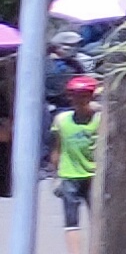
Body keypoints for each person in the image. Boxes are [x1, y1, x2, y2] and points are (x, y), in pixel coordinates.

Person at [49, 91, 94, 227]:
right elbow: (57, 147)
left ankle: (98, 247)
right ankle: (74, 249)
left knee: (99, 220)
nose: (78, 101)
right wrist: (55, 175)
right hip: (69, 175)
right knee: (71, 222)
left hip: (93, 175)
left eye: (84, 96)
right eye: (75, 97)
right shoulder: (62, 119)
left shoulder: (100, 119)